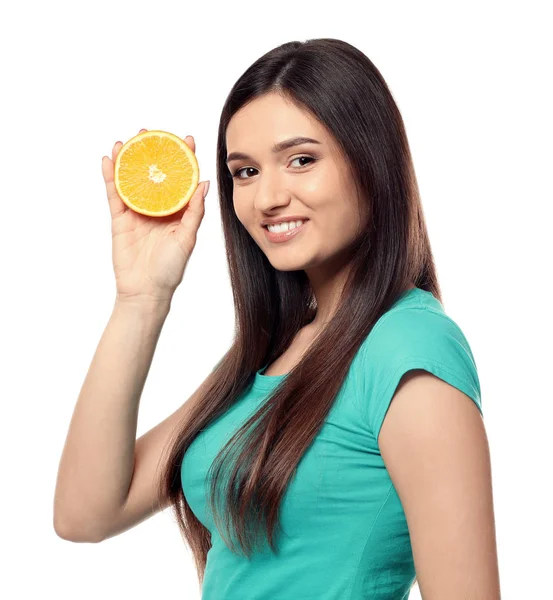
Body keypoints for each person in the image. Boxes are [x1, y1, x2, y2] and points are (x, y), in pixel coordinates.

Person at [54, 38, 501, 599]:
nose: (267, 197)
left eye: (301, 160)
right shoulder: (274, 354)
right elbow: (86, 513)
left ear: (371, 161)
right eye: (244, 172)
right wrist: (141, 299)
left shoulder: (409, 347)